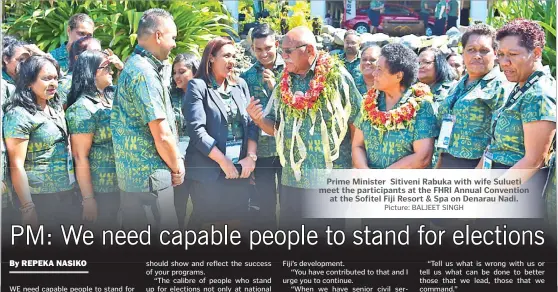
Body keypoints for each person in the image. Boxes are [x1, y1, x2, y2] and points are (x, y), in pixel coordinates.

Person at [246, 26, 362, 230]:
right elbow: (276, 128)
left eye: (288, 52)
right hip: (293, 179)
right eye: (282, 51)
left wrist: (354, 167)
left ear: (309, 50)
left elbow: (357, 122)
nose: (283, 56)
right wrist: (258, 120)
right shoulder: (285, 80)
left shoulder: (336, 77)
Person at [110, 9, 184, 231]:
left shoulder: (134, 65)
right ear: (158, 36)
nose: (174, 44)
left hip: (136, 181)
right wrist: (177, 166)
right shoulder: (144, 73)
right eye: (172, 38)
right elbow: (161, 134)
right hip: (150, 183)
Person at [184, 37, 258, 231]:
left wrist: (250, 158)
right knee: (210, 229)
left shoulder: (240, 85)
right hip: (210, 173)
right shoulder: (197, 86)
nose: (231, 61)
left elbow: (251, 124)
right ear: (211, 58)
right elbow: (197, 131)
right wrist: (223, 161)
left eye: (233, 56)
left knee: (236, 227)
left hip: (238, 171)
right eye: (226, 56)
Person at [3, 55, 77, 234]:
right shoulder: (19, 115)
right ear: (29, 82)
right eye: (46, 78)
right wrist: (28, 207)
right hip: (39, 197)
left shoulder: (55, 106)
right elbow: (16, 164)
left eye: (55, 78)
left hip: (66, 192)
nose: (53, 83)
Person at [481, 19, 555, 189]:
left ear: (536, 53)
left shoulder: (539, 94)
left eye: (512, 55)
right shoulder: (521, 86)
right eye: (500, 54)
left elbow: (534, 161)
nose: (504, 62)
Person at [352, 43, 438, 170]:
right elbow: (357, 146)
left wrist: (382, 178)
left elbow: (422, 157)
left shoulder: (421, 105)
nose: (374, 73)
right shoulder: (370, 102)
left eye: (379, 69)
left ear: (398, 76)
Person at [436, 24, 507, 169]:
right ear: (463, 53)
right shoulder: (458, 84)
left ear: (495, 54)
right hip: (447, 162)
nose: (477, 55)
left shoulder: (501, 86)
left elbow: (498, 139)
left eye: (484, 51)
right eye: (471, 50)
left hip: (476, 166)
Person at [65, 50, 119, 232]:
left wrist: (121, 66)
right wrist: (88, 199)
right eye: (107, 68)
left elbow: (136, 90)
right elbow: (80, 157)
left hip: (120, 183)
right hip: (101, 189)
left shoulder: (110, 98)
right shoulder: (82, 108)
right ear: (92, 72)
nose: (111, 72)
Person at [240, 24, 284, 230]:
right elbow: (247, 120)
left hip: (288, 150)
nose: (264, 53)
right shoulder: (247, 77)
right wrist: (250, 154)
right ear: (252, 49)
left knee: (290, 205)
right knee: (265, 207)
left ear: (276, 44)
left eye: (268, 48)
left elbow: (296, 109)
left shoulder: (291, 71)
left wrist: (276, 87)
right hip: (263, 151)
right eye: (258, 49)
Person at [170, 52, 199, 230]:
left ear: (195, 72)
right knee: (177, 209)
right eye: (174, 72)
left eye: (181, 72)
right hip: (177, 162)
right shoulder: (170, 96)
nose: (176, 77)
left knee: (202, 209)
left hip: (200, 160)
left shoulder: (205, 95)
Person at [57, 37, 102, 108]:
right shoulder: (65, 84)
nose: (100, 56)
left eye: (101, 52)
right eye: (94, 52)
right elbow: (58, 111)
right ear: (78, 58)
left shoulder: (102, 79)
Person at [417, 47, 457, 113]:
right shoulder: (410, 90)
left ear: (439, 64)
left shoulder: (454, 88)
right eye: (418, 63)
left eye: (426, 62)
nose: (420, 66)